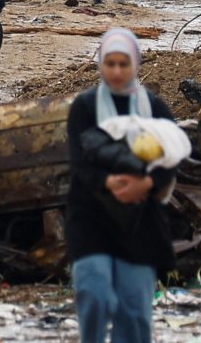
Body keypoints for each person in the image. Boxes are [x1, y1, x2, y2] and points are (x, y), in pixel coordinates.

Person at [67, 29, 177, 343]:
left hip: (139, 221)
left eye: (123, 64)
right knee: (94, 294)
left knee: (135, 312)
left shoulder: (154, 108)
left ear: (136, 64)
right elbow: (79, 161)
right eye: (110, 63)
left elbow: (172, 156)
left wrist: (146, 183)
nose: (116, 71)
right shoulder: (84, 108)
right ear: (101, 65)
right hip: (91, 216)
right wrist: (108, 181)